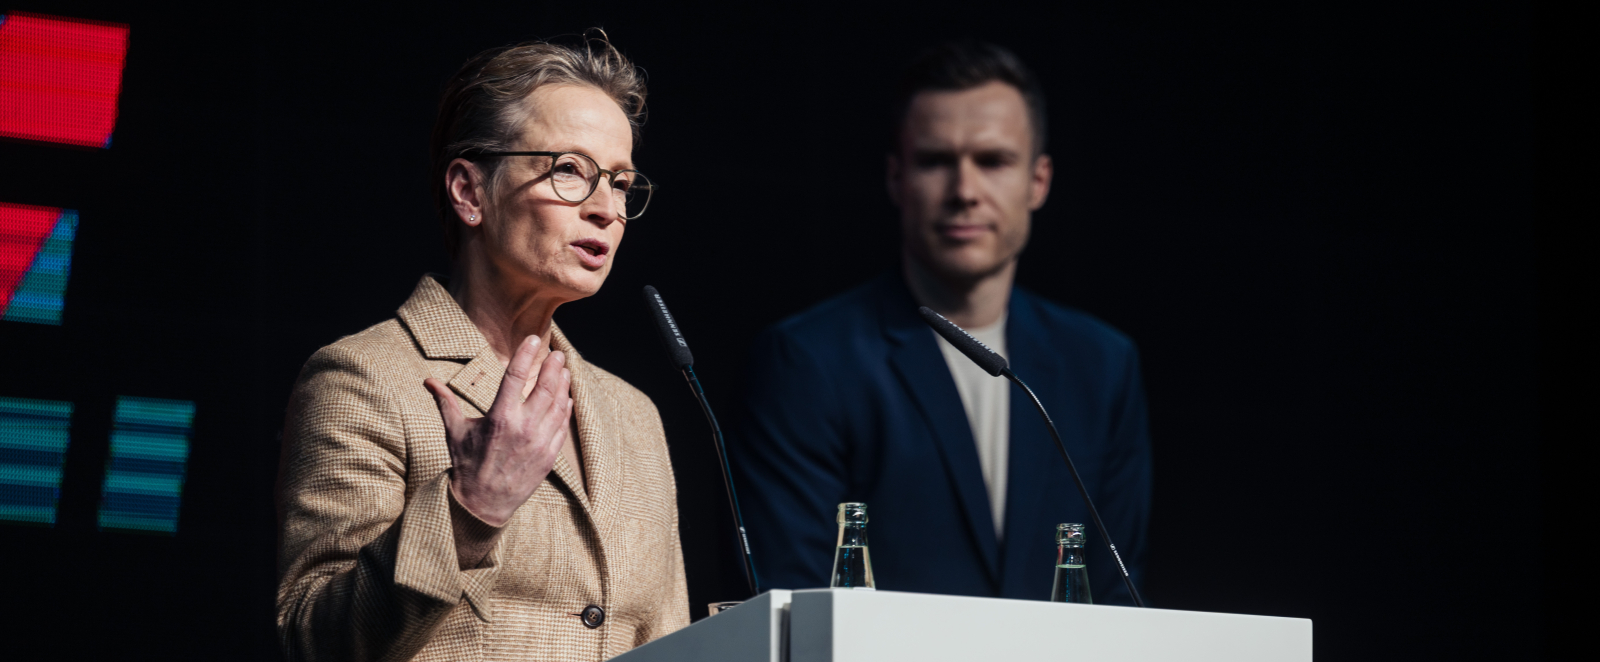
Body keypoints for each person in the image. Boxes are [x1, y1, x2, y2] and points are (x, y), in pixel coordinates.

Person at [275, 32, 687, 662]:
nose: (607, 209)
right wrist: (469, 508)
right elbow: (315, 640)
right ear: (470, 192)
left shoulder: (635, 417)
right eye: (570, 170)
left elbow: (672, 641)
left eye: (622, 182)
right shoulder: (362, 378)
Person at [731, 40, 1152, 604]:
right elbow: (798, 605)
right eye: (935, 161)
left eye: (993, 161)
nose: (965, 192)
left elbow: (1118, 601)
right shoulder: (806, 362)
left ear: (1039, 180)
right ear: (896, 178)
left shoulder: (1102, 365)